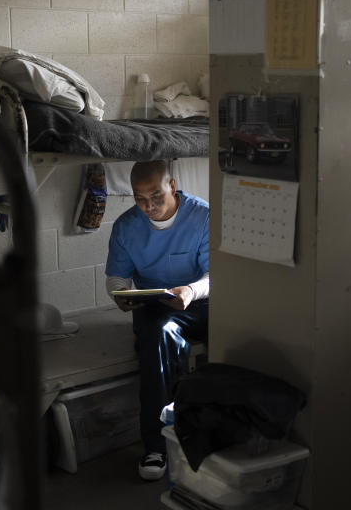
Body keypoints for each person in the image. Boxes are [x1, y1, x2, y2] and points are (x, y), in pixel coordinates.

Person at [105, 160, 210, 480]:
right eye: (139, 198)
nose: (148, 206)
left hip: (201, 302)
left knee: (237, 335)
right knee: (155, 343)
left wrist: (191, 291)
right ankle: (156, 446)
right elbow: (116, 278)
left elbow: (217, 275)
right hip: (156, 307)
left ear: (173, 187)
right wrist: (121, 295)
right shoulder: (126, 226)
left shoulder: (202, 216)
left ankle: (215, 433)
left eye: (156, 196)